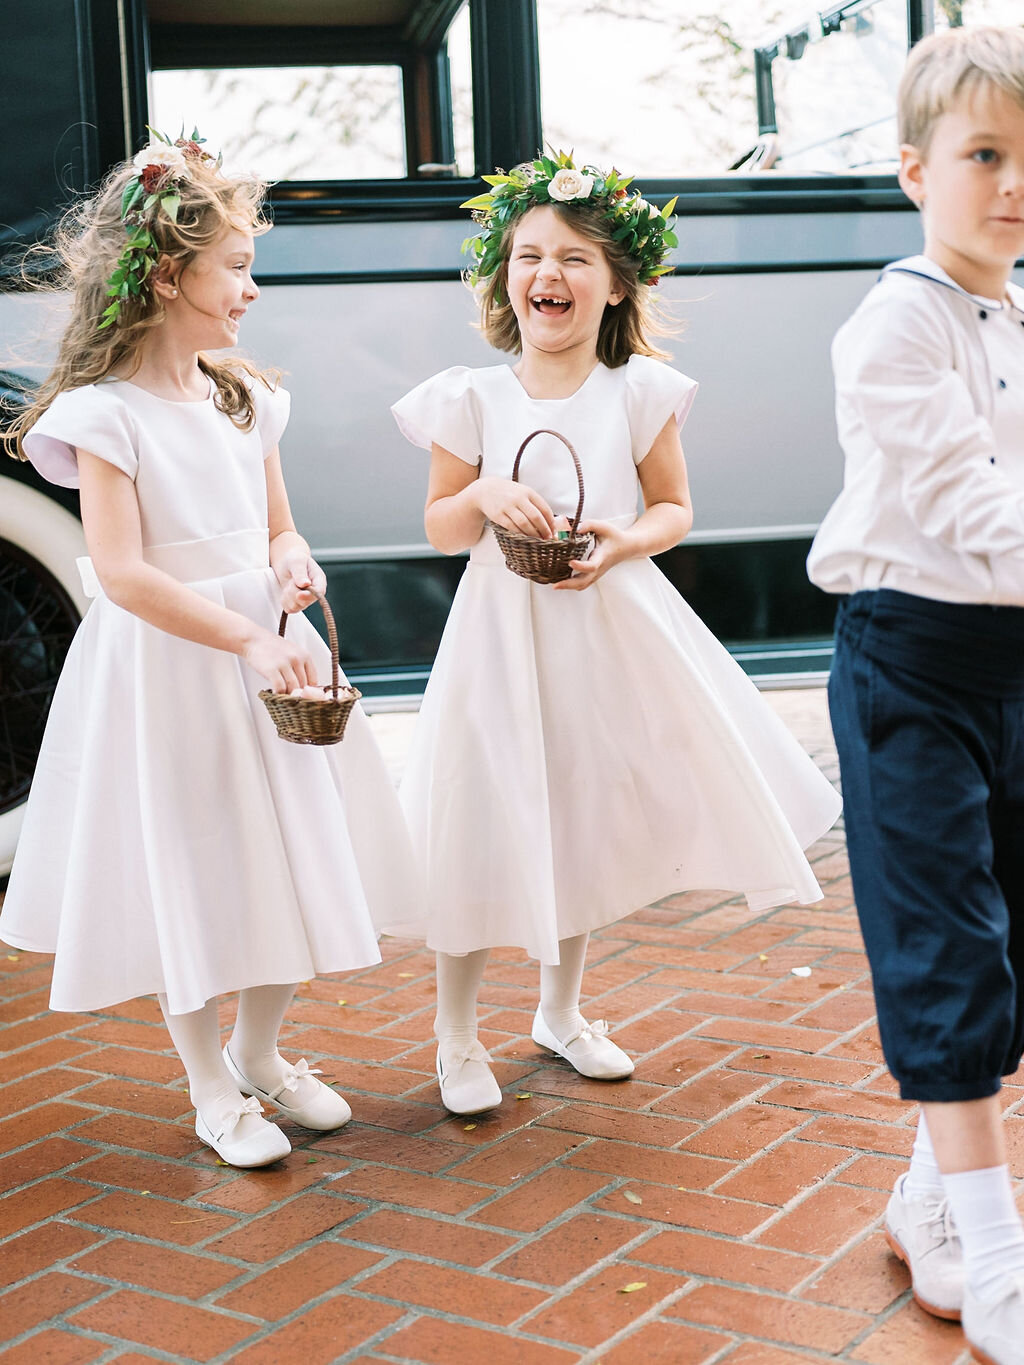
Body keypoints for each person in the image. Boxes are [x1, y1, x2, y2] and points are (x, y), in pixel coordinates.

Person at [388, 152, 842, 1118]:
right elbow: (440, 526)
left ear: (617, 281)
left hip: (603, 628)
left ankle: (561, 1011)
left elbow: (674, 506)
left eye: (574, 259)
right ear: (504, 274)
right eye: (527, 255)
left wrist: (626, 537)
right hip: (498, 640)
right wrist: (478, 492)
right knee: (476, 813)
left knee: (583, 812)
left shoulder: (638, 391)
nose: (546, 275)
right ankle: (455, 1034)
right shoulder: (471, 397)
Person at [0, 132, 418, 1169]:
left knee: (284, 855)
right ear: (168, 272)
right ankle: (207, 1089)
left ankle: (260, 1053)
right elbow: (126, 574)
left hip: (266, 657)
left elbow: (278, 525)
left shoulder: (242, 398)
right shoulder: (104, 417)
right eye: (237, 266)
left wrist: (292, 567)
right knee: (186, 867)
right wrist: (242, 633)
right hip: (168, 667)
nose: (252, 289)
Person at [807, 26, 1024, 1364]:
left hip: (1017, 657)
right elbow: (969, 503)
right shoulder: (894, 321)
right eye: (985, 154)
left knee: (1011, 950)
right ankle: (999, 1260)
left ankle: (928, 1191)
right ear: (912, 170)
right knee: (945, 941)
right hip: (910, 665)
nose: (1012, 185)